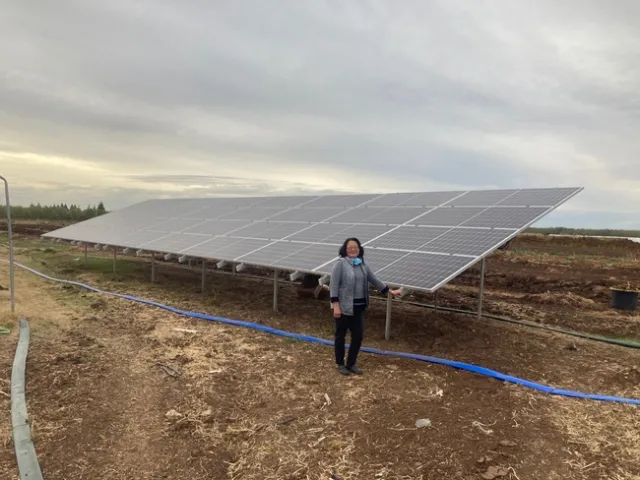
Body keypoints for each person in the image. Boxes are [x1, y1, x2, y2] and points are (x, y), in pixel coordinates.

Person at [329, 237, 402, 375]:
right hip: (344, 307)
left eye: (355, 247)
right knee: (340, 336)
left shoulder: (362, 264)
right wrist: (336, 306)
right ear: (345, 249)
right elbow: (334, 286)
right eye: (350, 247)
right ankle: (340, 364)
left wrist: (390, 291)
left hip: (358, 307)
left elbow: (374, 279)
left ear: (359, 249)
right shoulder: (340, 264)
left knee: (358, 336)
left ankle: (351, 363)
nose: (353, 250)